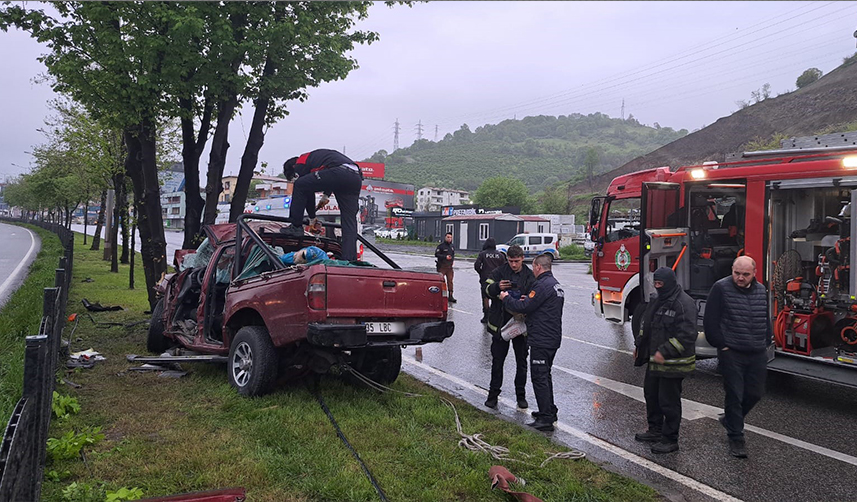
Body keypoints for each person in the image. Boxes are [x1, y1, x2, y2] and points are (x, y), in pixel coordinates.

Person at [703, 255, 772, 459]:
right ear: (732, 270)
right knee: (734, 394)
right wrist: (721, 345)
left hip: (757, 351)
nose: (740, 278)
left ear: (754, 273)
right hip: (731, 351)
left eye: (745, 274)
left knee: (755, 393)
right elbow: (710, 320)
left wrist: (767, 339)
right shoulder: (721, 288)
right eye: (737, 273)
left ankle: (731, 420)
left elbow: (764, 316)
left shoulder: (761, 290)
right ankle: (736, 437)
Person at [633, 267, 697, 454]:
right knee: (651, 396)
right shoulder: (656, 300)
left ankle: (670, 439)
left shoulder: (684, 304)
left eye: (660, 284)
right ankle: (655, 430)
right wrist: (639, 345)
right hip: (655, 360)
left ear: (669, 283)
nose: (657, 287)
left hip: (674, 363)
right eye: (656, 284)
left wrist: (665, 351)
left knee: (668, 401)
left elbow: (687, 335)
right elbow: (647, 326)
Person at [499, 254, 563, 431]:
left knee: (539, 377)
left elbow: (524, 307)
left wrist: (506, 298)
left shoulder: (541, 285)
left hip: (542, 338)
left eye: (534, 267)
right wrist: (527, 301)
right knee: (546, 375)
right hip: (552, 337)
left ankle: (545, 419)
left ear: (538, 267)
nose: (533, 270)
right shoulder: (555, 284)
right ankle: (549, 411)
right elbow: (536, 304)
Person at [282, 149, 363, 261]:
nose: (295, 178)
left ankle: (295, 227)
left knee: (300, 185)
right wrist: (325, 196)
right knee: (349, 222)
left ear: (293, 169)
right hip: (355, 176)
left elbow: (307, 190)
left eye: (293, 177)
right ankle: (349, 259)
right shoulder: (318, 160)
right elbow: (331, 174)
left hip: (339, 172)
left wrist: (312, 218)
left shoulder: (300, 162)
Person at [483, 245, 535, 410]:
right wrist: (497, 287)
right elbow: (486, 290)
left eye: (517, 261)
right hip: (500, 324)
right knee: (497, 362)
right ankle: (493, 396)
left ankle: (521, 397)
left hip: (520, 325)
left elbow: (536, 295)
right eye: (511, 261)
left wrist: (527, 299)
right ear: (507, 259)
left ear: (522, 258)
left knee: (521, 362)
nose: (513, 265)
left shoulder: (529, 274)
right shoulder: (499, 272)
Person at [474, 237, 506, 323]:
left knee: (485, 297)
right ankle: (495, 315)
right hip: (496, 279)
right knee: (496, 296)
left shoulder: (483, 254)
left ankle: (486, 316)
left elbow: (477, 265)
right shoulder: (500, 255)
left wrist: (481, 272)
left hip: (485, 278)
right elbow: (504, 267)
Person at [435, 232, 456, 303]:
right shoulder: (441, 246)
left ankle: (450, 295)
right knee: (440, 281)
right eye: (448, 237)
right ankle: (438, 295)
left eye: (450, 237)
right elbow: (436, 254)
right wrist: (445, 257)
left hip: (449, 267)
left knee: (450, 282)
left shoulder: (452, 246)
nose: (449, 239)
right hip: (442, 266)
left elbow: (453, 255)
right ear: (445, 237)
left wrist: (452, 260)